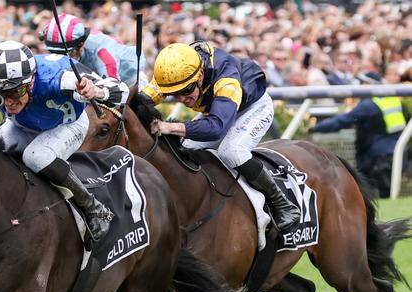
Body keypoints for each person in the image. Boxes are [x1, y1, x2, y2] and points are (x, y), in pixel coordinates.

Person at [0, 40, 130, 241]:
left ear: (31, 81)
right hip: (22, 126)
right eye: (1, 94)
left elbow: (123, 90)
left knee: (36, 156)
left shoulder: (60, 79)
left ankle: (94, 209)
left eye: (15, 92)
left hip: (68, 125)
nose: (8, 102)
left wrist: (96, 91)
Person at [140, 41, 300, 231]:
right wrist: (105, 93)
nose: (182, 99)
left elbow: (217, 127)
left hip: (252, 108)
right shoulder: (174, 74)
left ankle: (282, 203)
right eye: (174, 95)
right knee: (186, 149)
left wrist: (170, 127)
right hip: (218, 110)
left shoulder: (225, 77)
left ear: (199, 77)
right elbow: (142, 98)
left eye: (185, 91)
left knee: (231, 151)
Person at [310, 71, 407, 198]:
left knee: (376, 198)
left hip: (378, 160)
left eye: (362, 83)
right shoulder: (393, 99)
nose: (359, 85)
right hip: (400, 154)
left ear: (369, 84)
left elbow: (342, 121)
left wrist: (314, 128)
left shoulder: (368, 105)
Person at [41, 13, 146, 88]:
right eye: (54, 52)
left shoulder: (102, 52)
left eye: (66, 53)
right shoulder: (76, 46)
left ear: (81, 45)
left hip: (130, 79)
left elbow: (114, 88)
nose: (60, 58)